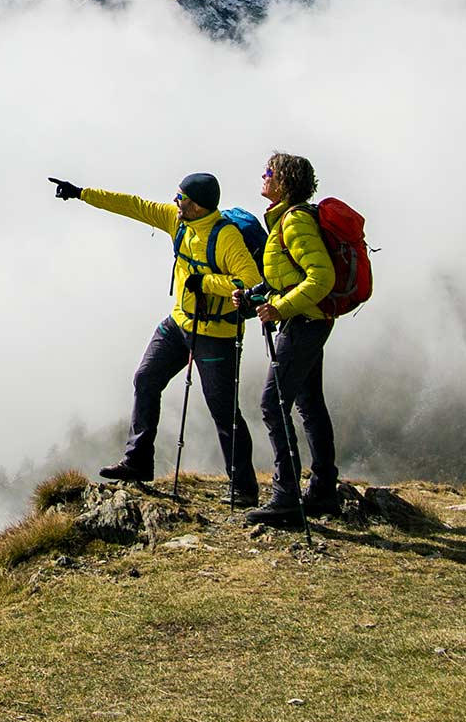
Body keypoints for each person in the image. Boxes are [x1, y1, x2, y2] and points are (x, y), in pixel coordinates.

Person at [49, 172, 264, 504]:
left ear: (198, 205)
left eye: (182, 198)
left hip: (216, 333)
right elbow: (133, 205)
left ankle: (244, 489)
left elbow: (250, 282)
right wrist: (80, 193)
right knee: (146, 378)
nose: (175, 202)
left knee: (223, 411)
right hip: (179, 322)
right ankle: (137, 461)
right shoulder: (177, 221)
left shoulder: (226, 238)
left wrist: (206, 283)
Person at [239, 152, 342, 526]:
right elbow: (287, 276)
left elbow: (321, 277)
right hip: (309, 321)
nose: (263, 176)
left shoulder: (295, 220)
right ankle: (323, 491)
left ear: (283, 182)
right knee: (309, 404)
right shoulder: (286, 219)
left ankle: (286, 497)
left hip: (303, 323)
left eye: (269, 172)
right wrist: (255, 297)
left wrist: (280, 308)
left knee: (273, 404)